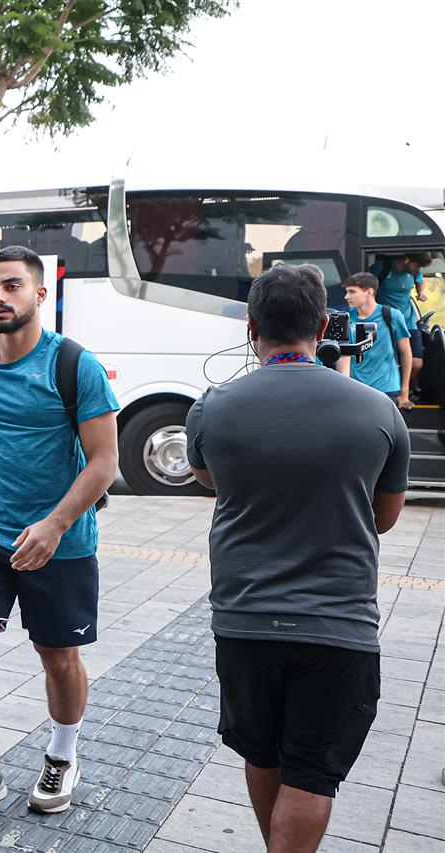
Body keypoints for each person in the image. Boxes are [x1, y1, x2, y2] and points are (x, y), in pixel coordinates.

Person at [185, 263, 410, 853]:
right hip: (338, 626)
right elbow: (383, 519)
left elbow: (212, 481)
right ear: (324, 325)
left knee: (261, 753)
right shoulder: (379, 411)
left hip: (244, 623)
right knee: (311, 771)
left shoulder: (211, 407)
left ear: (252, 326)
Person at [0, 245, 120, 825]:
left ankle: (62, 757)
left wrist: (56, 524)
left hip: (61, 540)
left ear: (40, 294)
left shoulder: (75, 365)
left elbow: (105, 461)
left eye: (11, 286)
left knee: (58, 656)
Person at [338, 272, 413, 408]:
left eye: (352, 292)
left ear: (370, 292)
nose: (346, 296)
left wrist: (405, 391)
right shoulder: (345, 318)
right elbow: (344, 356)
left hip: (387, 388)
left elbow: (406, 353)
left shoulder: (392, 315)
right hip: (356, 389)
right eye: (346, 292)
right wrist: (344, 390)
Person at [370, 252, 429, 388]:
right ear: (407, 260)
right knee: (389, 362)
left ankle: (404, 389)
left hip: (409, 322)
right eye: (417, 266)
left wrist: (421, 292)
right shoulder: (381, 268)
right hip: (386, 323)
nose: (418, 269)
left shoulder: (414, 272)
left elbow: (420, 280)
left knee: (417, 363)